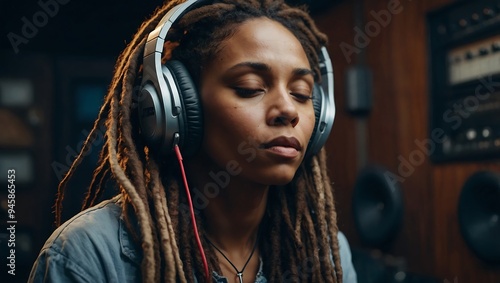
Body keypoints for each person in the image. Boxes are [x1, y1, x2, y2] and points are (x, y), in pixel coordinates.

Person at [29, 0, 358, 282]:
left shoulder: (328, 252)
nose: (288, 110)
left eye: (301, 93)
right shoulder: (86, 256)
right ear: (176, 107)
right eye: (250, 87)